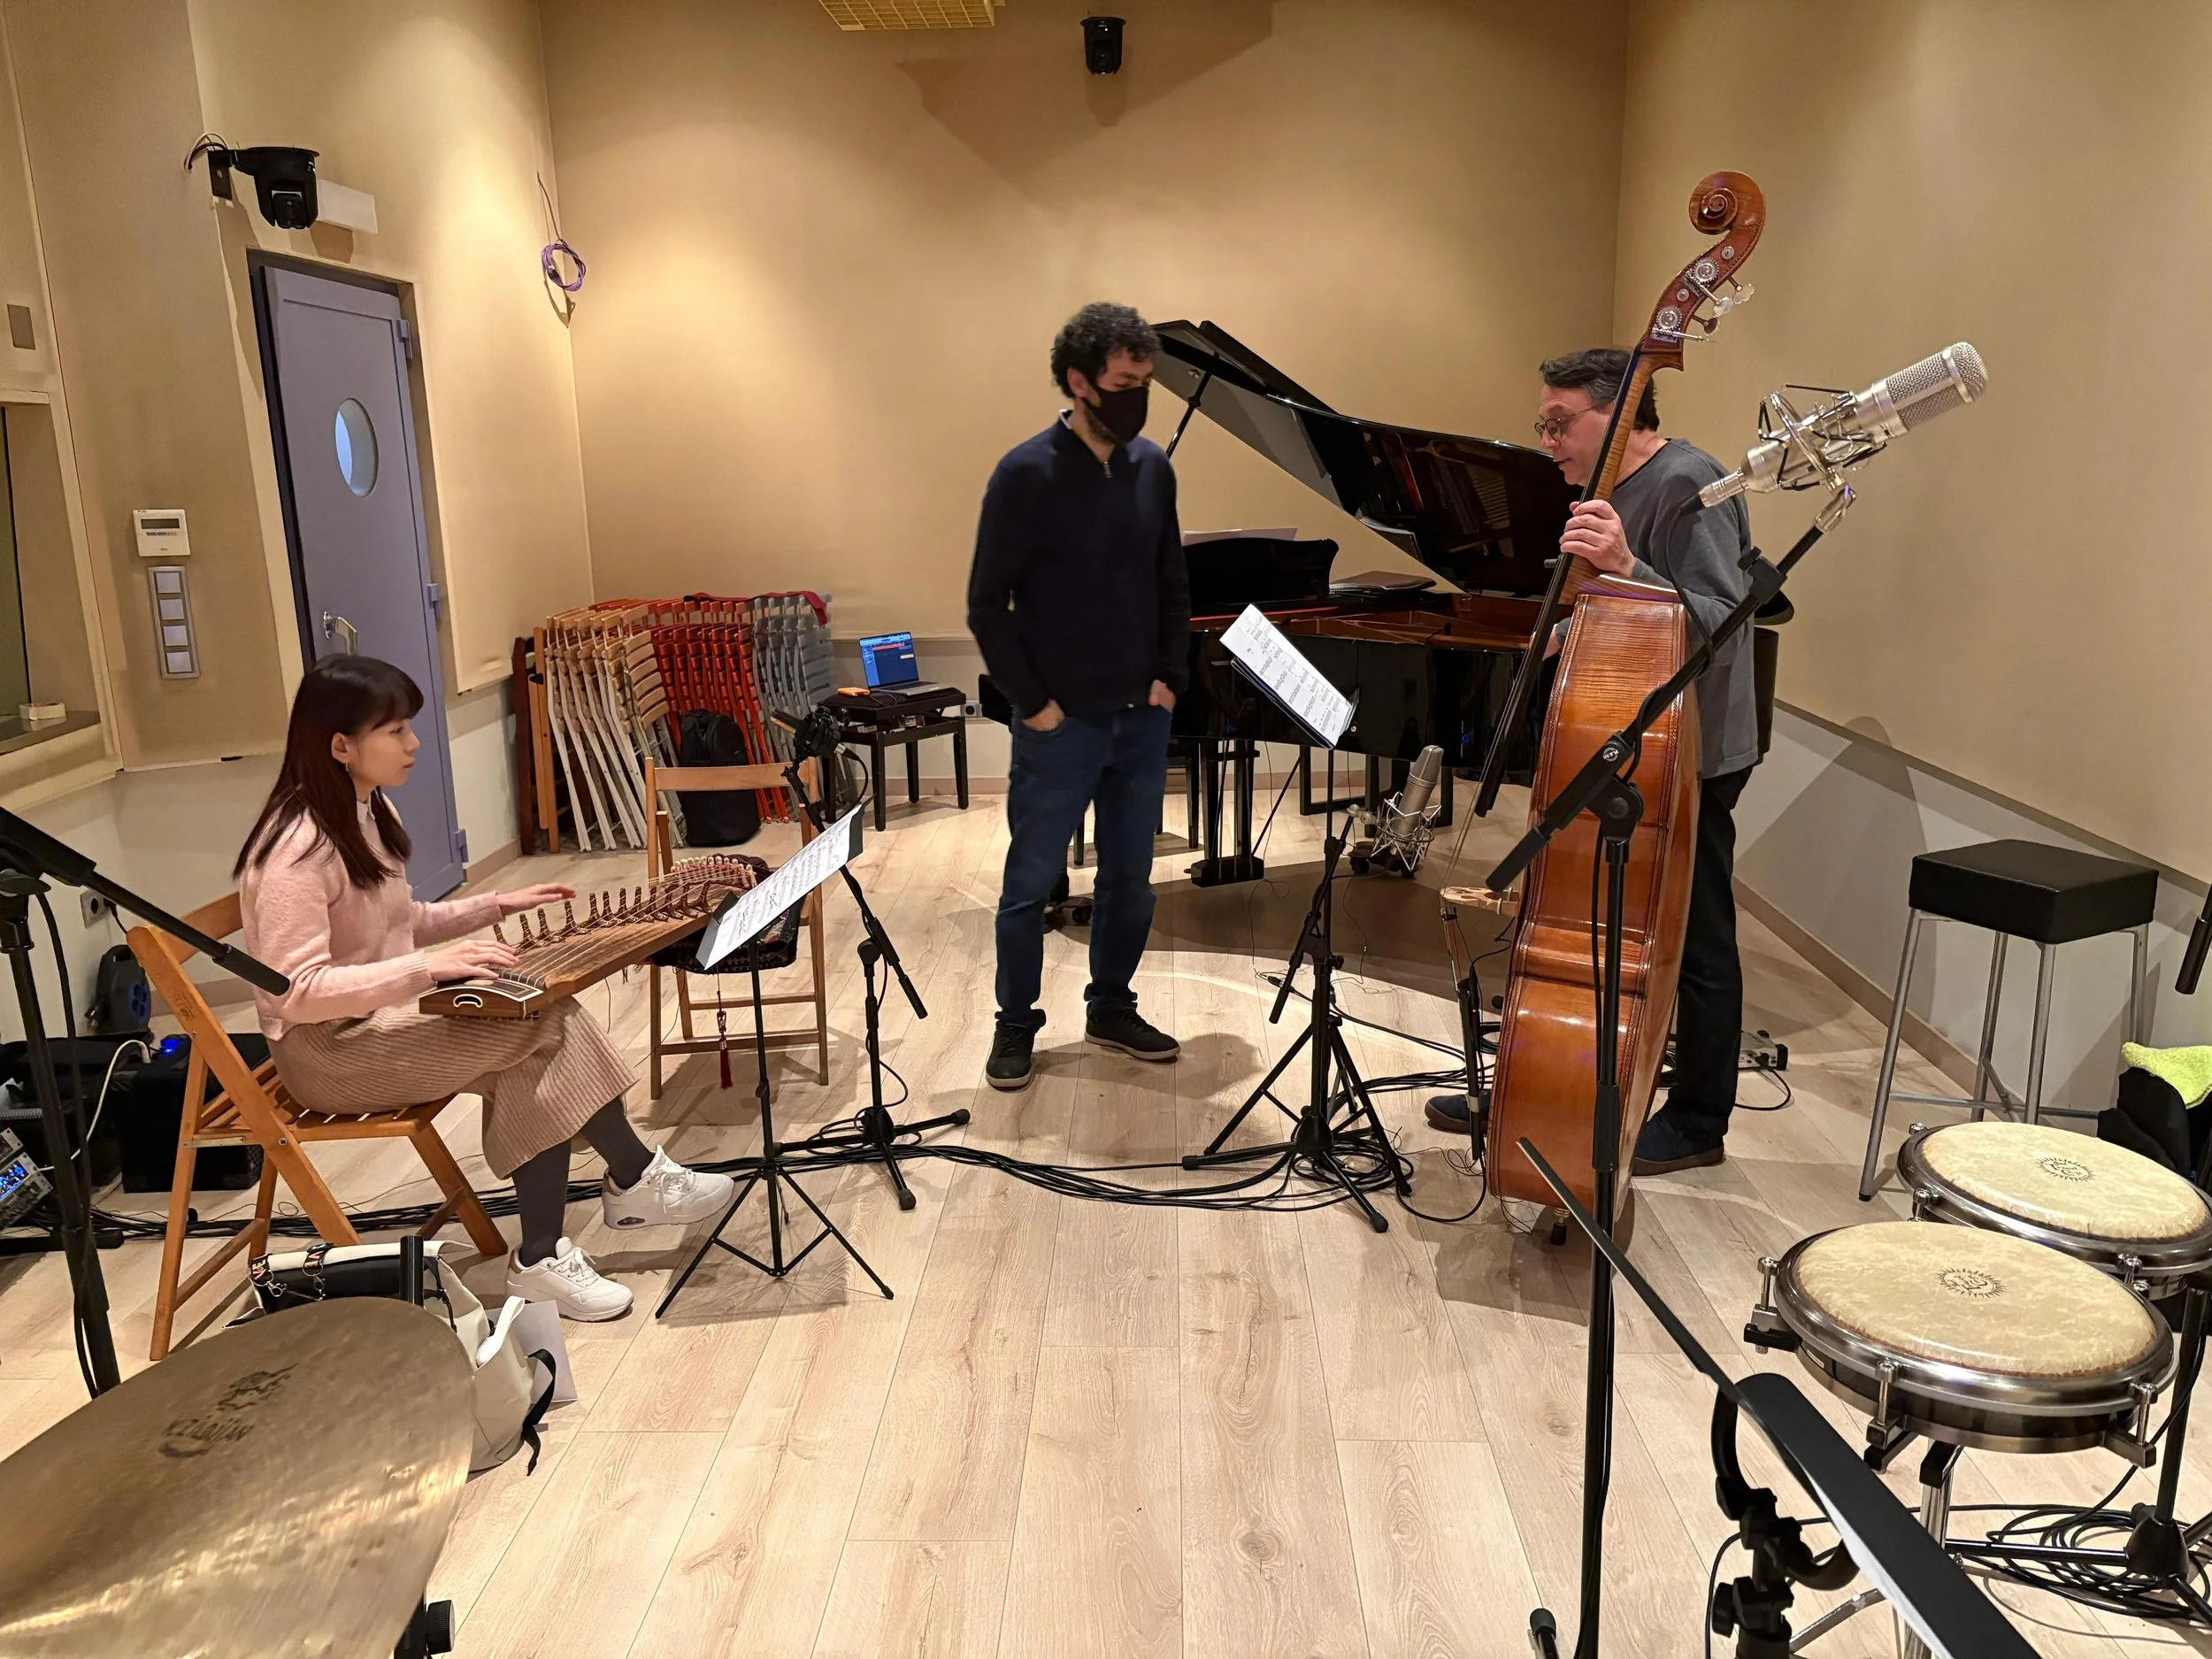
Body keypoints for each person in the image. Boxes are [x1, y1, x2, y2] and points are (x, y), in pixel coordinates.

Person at [236, 655, 735, 1320]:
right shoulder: (294, 850)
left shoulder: (364, 809)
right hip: (325, 1054)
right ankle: (610, 1199)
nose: (414, 744)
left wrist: (494, 906)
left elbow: (401, 922)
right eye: (396, 730)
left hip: (373, 1020)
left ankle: (564, 1236)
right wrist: (429, 969)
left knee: (539, 1016)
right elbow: (295, 991)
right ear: (340, 745)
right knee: (533, 1031)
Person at [1428, 349, 1760, 1174]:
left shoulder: (1689, 482)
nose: (1546, 440)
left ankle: (1698, 1119)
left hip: (1695, 746)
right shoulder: (1607, 490)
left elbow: (1720, 622)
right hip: (1634, 731)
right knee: (1597, 921)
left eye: (1558, 422)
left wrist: (1624, 567)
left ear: (1619, 412)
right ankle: (1555, 1079)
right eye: (1543, 422)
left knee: (1694, 929)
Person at [967, 301, 1190, 1090]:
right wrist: (1034, 705)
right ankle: (1015, 1024)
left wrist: (1169, 676)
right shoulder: (1024, 474)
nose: (1139, 395)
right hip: (1060, 725)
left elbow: (1172, 581)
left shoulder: (1152, 468)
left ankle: (1111, 1008)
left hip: (1139, 720)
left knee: (1131, 880)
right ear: (1079, 380)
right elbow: (986, 605)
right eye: (1126, 381)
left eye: (1146, 381)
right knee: (1030, 883)